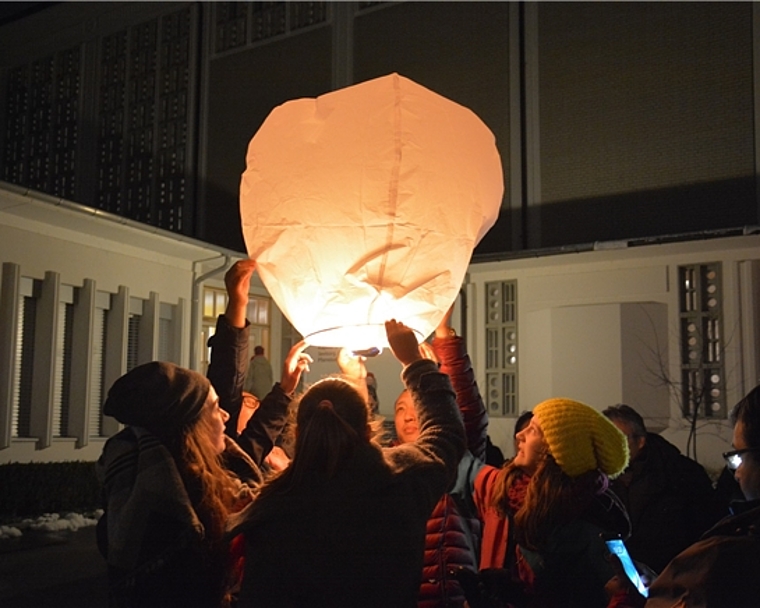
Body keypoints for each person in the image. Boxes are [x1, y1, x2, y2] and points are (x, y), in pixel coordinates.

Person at [227, 320, 467, 607]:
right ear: (368, 430)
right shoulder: (401, 480)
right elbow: (447, 436)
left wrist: (283, 393)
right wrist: (415, 364)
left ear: (298, 434)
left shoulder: (272, 504)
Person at [96, 362, 258, 607]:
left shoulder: (134, 501)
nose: (226, 415)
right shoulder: (185, 514)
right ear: (193, 426)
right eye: (215, 408)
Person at [470, 398, 631, 608]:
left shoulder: (589, 528)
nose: (520, 435)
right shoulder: (511, 494)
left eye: (533, 431)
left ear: (557, 452)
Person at [612, 384, 760, 608]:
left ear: (640, 441)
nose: (736, 472)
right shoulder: (604, 481)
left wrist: (626, 600)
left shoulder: (728, 555)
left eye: (739, 456)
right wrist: (666, 585)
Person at [387, 306, 488, 607]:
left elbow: (467, 411)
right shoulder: (385, 467)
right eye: (399, 410)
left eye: (415, 403)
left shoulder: (456, 461)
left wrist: (444, 336)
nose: (407, 415)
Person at [206, 259, 309, 472]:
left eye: (253, 404)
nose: (226, 414)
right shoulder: (230, 468)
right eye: (243, 403)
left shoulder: (285, 451)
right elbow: (227, 386)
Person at [602, 404, 722, 573]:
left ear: (640, 441)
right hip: (614, 579)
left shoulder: (681, 474)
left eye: (619, 438)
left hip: (672, 577)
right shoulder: (596, 479)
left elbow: (706, 529)